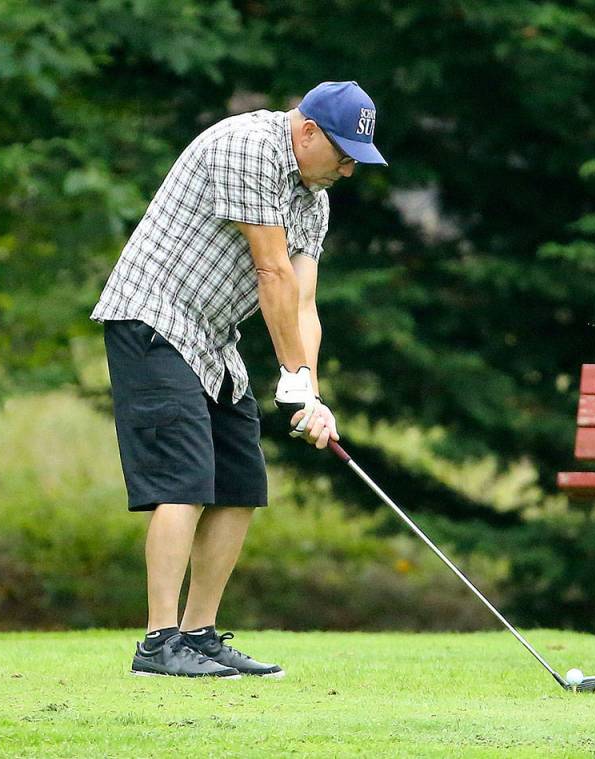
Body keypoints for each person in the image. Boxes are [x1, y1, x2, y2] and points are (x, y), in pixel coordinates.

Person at [90, 81, 387, 678]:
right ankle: (158, 643)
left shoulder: (313, 198)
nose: (348, 171)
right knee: (184, 480)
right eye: (343, 155)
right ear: (308, 131)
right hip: (151, 316)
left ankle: (197, 635)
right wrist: (292, 373)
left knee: (240, 481)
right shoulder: (248, 145)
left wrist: (310, 391)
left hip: (212, 337)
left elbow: (303, 301)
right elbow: (270, 270)